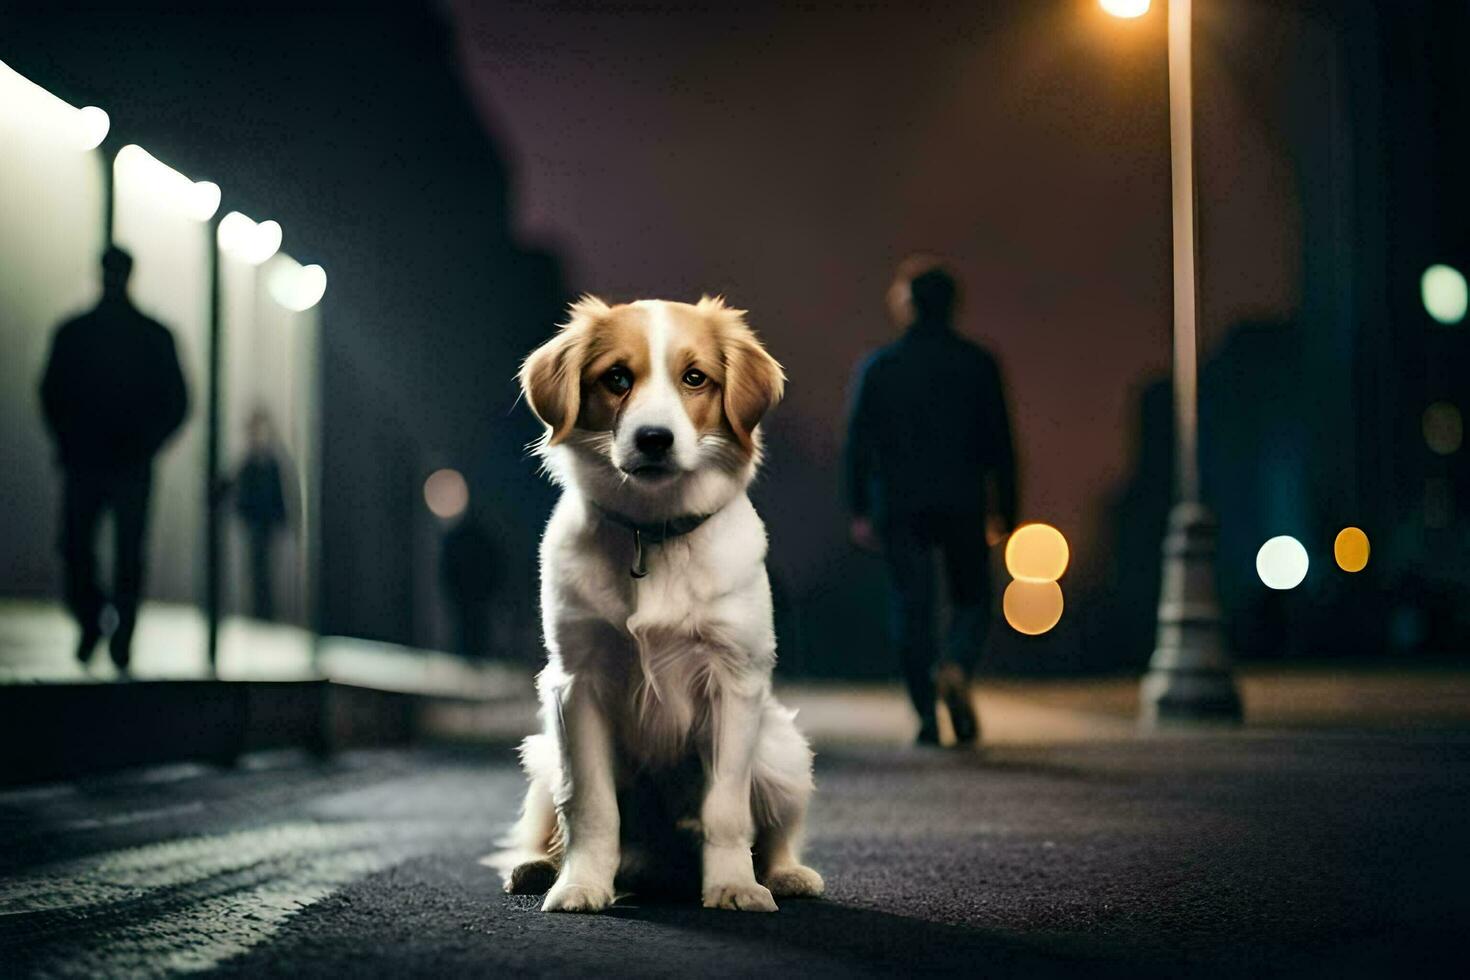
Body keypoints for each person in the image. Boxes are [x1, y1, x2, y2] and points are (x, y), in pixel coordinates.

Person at [843, 256, 1017, 746]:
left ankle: (925, 715)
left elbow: (857, 443)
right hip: (962, 500)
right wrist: (1006, 507)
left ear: (907, 306)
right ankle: (956, 665)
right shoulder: (978, 363)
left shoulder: (879, 367)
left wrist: (857, 507)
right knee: (973, 599)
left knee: (910, 607)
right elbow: (1000, 442)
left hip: (899, 505)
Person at [39, 246, 189, 673]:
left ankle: (106, 627)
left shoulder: (77, 333)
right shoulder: (148, 337)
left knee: (94, 550)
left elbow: (52, 394)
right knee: (101, 552)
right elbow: (176, 403)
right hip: (115, 462)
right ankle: (112, 629)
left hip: (102, 462)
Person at [231, 409, 289, 621]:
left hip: (266, 524)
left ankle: (265, 613)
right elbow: (239, 491)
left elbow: (278, 494)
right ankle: (260, 613)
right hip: (255, 523)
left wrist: (281, 519)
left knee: (265, 571)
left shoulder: (270, 463)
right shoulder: (249, 464)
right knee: (257, 570)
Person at [439, 512, 498, 660]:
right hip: (468, 601)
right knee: (467, 635)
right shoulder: (461, 541)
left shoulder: (459, 541)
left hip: (474, 601)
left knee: (473, 635)